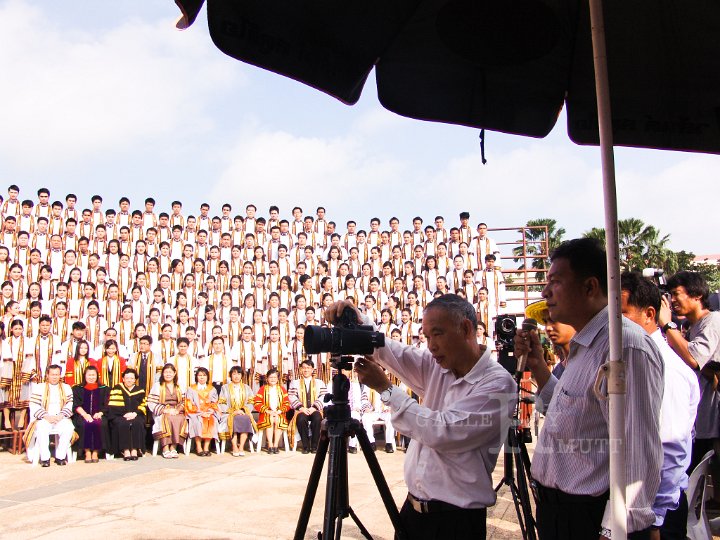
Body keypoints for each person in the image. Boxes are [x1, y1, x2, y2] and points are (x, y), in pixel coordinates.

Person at [329, 293, 516, 539]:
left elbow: (444, 431)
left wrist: (386, 390)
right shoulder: (438, 364)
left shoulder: (497, 383)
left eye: (437, 334)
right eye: (426, 337)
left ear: (466, 329)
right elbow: (391, 352)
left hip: (456, 522)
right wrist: (356, 319)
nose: (431, 345)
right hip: (412, 512)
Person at [514, 238, 664, 539]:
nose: (545, 292)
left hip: (588, 519)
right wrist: (539, 366)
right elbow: (572, 415)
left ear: (590, 287)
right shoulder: (585, 345)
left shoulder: (623, 347)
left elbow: (637, 452)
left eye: (555, 282)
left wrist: (613, 529)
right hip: (559, 514)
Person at [621, 271, 699, 539]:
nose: (613, 324)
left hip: (657, 513)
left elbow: (671, 448)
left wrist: (656, 519)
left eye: (622, 314)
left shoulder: (665, 367)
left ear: (649, 314)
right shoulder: (634, 358)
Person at [658, 270, 720, 473]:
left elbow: (694, 359)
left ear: (697, 295)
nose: (672, 301)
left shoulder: (712, 321)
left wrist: (668, 325)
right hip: (703, 418)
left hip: (714, 416)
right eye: (670, 295)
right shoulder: (691, 327)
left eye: (676, 294)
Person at [24, 364, 75, 467]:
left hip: (60, 417)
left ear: (60, 375)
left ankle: (60, 456)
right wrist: (46, 416)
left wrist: (61, 415)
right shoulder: (39, 387)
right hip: (44, 418)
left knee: (69, 428)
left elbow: (70, 404)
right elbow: (34, 404)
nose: (54, 377)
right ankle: (45, 458)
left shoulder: (66, 387)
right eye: (52, 374)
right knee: (42, 428)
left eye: (57, 374)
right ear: (47, 375)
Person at [71, 365, 111, 463]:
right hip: (82, 414)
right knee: (84, 424)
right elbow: (76, 405)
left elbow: (107, 404)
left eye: (93, 375)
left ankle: (96, 452)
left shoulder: (104, 389)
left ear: (97, 376)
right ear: (85, 376)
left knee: (100, 424)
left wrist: (100, 413)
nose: (91, 377)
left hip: (99, 414)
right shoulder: (77, 388)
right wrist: (85, 415)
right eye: (89, 375)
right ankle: (87, 452)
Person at [147, 363, 187, 459]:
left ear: (174, 373)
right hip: (162, 411)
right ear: (162, 374)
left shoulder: (179, 386)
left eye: (170, 372)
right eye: (166, 372)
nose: (168, 374)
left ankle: (173, 447)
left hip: (176, 410)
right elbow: (151, 402)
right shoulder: (158, 386)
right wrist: (165, 410)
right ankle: (165, 448)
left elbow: (184, 401)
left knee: (180, 419)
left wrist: (177, 410)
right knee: (167, 419)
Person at [287, 359, 327, 453]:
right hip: (301, 410)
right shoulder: (295, 382)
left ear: (312, 369)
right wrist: (301, 408)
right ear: (301, 369)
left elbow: (323, 396)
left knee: (317, 418)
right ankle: (305, 446)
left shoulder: (319, 382)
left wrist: (314, 407)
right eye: (304, 368)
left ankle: (314, 446)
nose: (306, 370)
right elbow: (291, 396)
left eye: (308, 368)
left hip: (315, 409)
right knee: (301, 419)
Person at [108, 368, 147, 461]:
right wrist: (124, 414)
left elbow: (143, 405)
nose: (129, 380)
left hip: (136, 414)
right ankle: (125, 450)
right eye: (127, 378)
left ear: (135, 380)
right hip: (119, 415)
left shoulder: (140, 390)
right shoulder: (117, 388)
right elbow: (114, 405)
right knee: (123, 424)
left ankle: (134, 449)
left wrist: (135, 413)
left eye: (132, 378)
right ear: (123, 379)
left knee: (137, 423)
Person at [218, 365, 256, 457]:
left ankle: (241, 446)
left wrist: (242, 410)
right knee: (233, 419)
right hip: (229, 413)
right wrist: (233, 411)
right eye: (234, 374)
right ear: (230, 375)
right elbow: (221, 402)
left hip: (243, 413)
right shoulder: (225, 388)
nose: (236, 376)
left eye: (239, 374)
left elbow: (251, 401)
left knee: (246, 419)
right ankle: (234, 446)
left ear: (242, 375)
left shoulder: (247, 388)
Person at [253, 368, 290, 454]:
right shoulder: (262, 389)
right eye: (270, 377)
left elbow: (287, 404)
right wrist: (267, 411)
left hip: (279, 413)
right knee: (270, 420)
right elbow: (257, 403)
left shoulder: (282, 389)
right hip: (266, 413)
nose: (273, 379)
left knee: (277, 420)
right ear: (267, 379)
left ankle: (275, 445)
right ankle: (270, 444)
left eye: (275, 377)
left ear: (277, 379)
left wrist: (279, 411)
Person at [185, 367, 220, 456]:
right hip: (195, 413)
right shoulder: (191, 389)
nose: (202, 377)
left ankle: (206, 447)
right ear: (196, 377)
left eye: (204, 375)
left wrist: (211, 411)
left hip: (209, 413)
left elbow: (215, 403)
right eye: (200, 375)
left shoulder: (212, 389)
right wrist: (200, 413)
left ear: (207, 377)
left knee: (212, 421)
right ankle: (198, 446)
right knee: (197, 422)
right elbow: (189, 404)